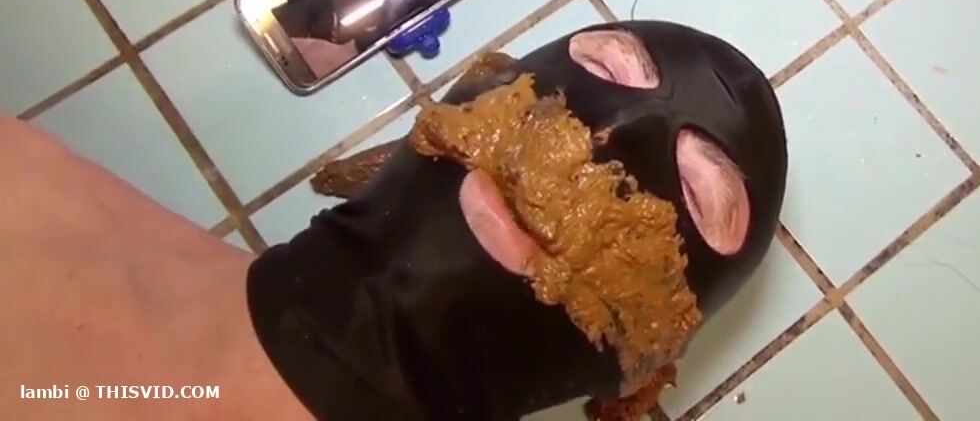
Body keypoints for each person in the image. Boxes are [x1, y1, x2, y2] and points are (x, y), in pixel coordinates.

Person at [0, 22, 788, 420]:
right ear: (456, 104)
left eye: (695, 196)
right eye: (604, 66)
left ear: (639, 378)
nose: (603, 133)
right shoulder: (21, 176)